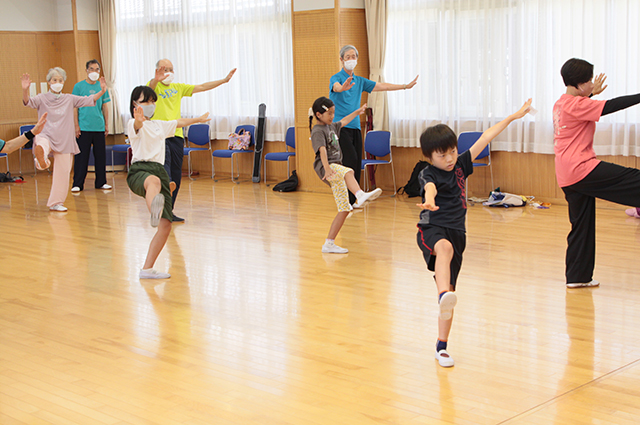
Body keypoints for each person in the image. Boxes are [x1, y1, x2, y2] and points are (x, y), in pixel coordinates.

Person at [416, 99, 532, 367]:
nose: (449, 159)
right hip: (432, 227)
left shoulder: (460, 165)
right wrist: (430, 199)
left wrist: (513, 116)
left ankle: (441, 346)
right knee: (444, 249)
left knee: (450, 293)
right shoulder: (427, 173)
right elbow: (430, 188)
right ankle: (442, 294)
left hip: (458, 232)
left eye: (452, 152)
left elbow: (486, 136)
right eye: (442, 155)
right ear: (429, 157)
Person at [553, 58, 640, 288]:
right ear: (579, 85)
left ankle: (577, 278)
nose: (592, 84)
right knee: (635, 180)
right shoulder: (577, 104)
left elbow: (579, 109)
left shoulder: (562, 103)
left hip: (565, 173)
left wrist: (590, 95)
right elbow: (611, 105)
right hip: (581, 169)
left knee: (581, 224)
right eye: (589, 81)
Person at [126, 86, 210, 279]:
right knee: (153, 182)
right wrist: (139, 120)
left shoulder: (159, 125)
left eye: (152, 101)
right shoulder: (132, 123)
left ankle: (146, 269)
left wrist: (197, 119)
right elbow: (137, 127)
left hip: (159, 171)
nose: (150, 105)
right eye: (145, 101)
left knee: (166, 226)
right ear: (135, 104)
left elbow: (178, 122)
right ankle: (153, 211)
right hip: (141, 170)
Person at [148, 59, 237, 222]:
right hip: (159, 135)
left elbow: (202, 86)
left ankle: (169, 210)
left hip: (177, 135)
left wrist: (224, 80)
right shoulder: (154, 86)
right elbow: (147, 93)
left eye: (171, 69)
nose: (168, 72)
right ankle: (159, 208)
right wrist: (155, 80)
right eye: (164, 69)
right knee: (165, 173)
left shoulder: (178, 88)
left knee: (176, 174)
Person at [329, 44, 418, 205]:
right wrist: (343, 87)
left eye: (353, 56)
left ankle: (355, 199)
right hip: (340, 127)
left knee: (356, 162)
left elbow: (382, 86)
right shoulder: (336, 78)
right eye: (347, 57)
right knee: (349, 160)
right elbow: (336, 88)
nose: (351, 59)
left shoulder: (360, 81)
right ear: (341, 60)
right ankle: (348, 199)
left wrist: (405, 86)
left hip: (355, 126)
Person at [22, 68, 107, 212]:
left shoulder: (69, 98)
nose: (57, 83)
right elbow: (28, 102)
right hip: (46, 134)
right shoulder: (42, 98)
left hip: (64, 139)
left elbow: (88, 100)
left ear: (64, 82)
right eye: (54, 80)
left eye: (60, 80)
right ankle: (41, 157)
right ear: (49, 82)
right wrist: (25, 90)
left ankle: (56, 202)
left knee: (63, 172)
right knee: (42, 142)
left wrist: (102, 91)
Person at [310, 96, 383, 254]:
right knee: (349, 171)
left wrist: (357, 112)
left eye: (333, 113)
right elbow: (322, 150)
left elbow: (344, 121)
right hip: (327, 167)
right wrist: (327, 168)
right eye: (329, 113)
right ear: (318, 114)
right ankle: (360, 194)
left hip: (336, 167)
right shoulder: (317, 131)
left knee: (344, 209)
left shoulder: (332, 127)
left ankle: (329, 243)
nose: (332, 116)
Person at [71, 59, 112, 193]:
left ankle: (101, 182)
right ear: (87, 70)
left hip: (98, 126)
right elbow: (75, 108)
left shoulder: (102, 86)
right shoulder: (78, 86)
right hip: (84, 127)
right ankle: (77, 183)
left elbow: (105, 106)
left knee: (100, 156)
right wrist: (76, 126)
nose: (94, 72)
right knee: (81, 156)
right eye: (92, 69)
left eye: (97, 69)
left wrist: (106, 124)